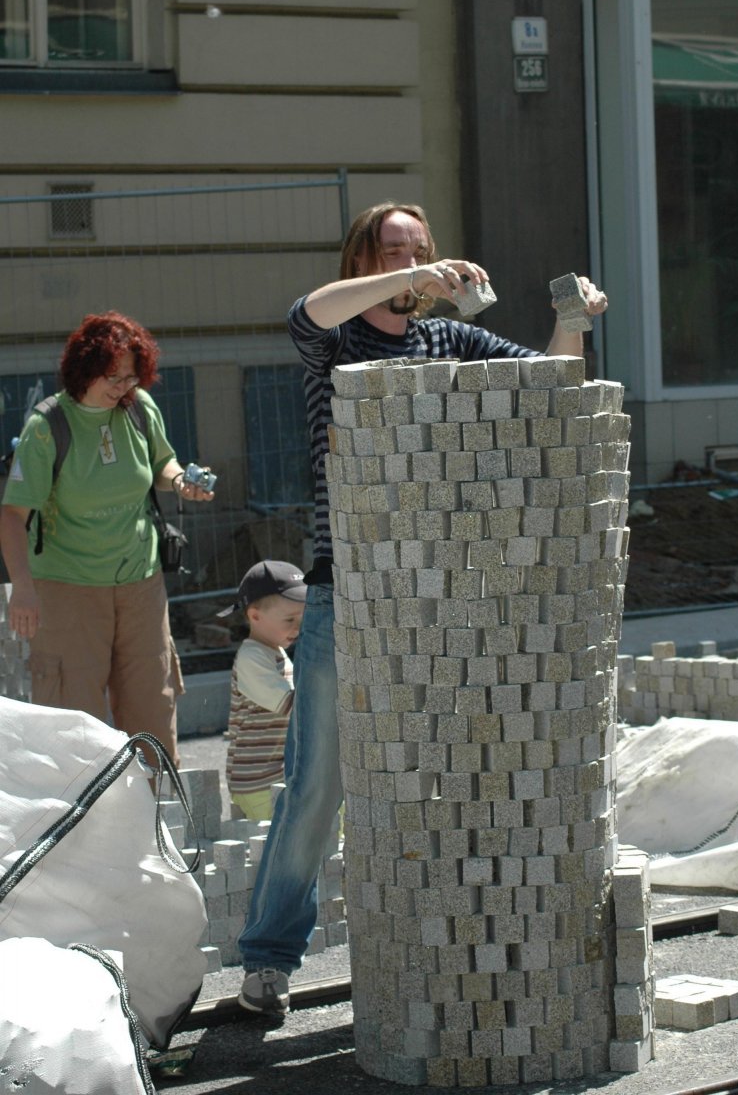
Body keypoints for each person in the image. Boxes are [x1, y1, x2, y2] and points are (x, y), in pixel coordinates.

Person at [237, 201, 609, 1017]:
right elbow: (307, 310)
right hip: (347, 583)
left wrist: (571, 317)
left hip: (441, 590)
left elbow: (549, 383)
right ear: (367, 257)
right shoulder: (335, 338)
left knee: (449, 772)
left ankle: (446, 960)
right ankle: (267, 960)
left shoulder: (451, 338)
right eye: (392, 250)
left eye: (420, 249)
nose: (411, 261)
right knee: (320, 782)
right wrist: (413, 278)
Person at [0, 310, 215, 766]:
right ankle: (83, 826)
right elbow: (12, 514)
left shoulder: (139, 407)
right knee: (74, 719)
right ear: (85, 369)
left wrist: (181, 483)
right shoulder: (47, 427)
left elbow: (163, 465)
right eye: (112, 377)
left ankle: (154, 815)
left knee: (152, 707)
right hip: (68, 588)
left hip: (141, 583)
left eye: (130, 378)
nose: (121, 388)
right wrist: (22, 586)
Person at [220, 559, 306, 825]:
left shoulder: (275, 651)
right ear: (255, 616)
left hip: (276, 775)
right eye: (290, 619)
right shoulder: (252, 658)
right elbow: (293, 705)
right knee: (274, 845)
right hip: (259, 781)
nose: (298, 627)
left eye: (303, 618)